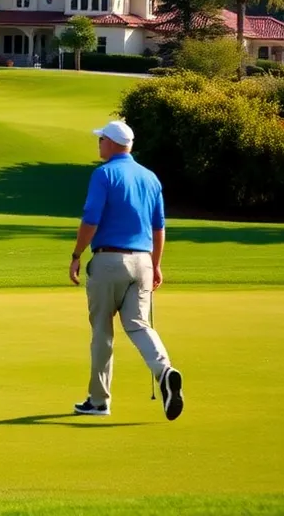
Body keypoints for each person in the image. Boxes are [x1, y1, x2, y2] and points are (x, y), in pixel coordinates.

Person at [69, 121, 184, 421]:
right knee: (138, 324)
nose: (98, 144)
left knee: (103, 332)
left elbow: (91, 219)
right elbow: (159, 228)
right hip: (143, 262)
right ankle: (164, 370)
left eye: (101, 139)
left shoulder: (104, 174)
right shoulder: (150, 177)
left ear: (112, 144)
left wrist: (77, 254)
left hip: (109, 261)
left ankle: (99, 401)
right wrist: (156, 264)